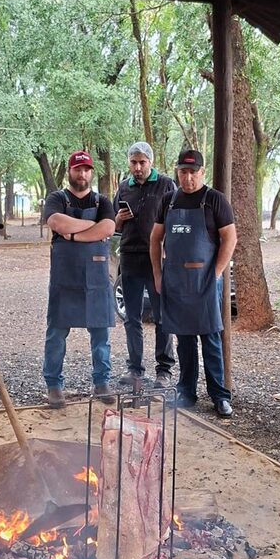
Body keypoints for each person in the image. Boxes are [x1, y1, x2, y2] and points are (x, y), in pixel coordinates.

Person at [150, 149, 236, 418]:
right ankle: (186, 391)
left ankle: (220, 396)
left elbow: (230, 239)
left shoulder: (215, 201)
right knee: (184, 341)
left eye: (193, 172)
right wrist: (157, 274)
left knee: (210, 338)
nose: (188, 178)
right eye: (183, 172)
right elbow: (155, 239)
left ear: (202, 172)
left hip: (205, 281)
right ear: (178, 172)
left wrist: (217, 273)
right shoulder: (169, 201)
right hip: (175, 281)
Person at [42, 150, 116, 408]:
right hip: (65, 278)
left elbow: (108, 228)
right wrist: (91, 228)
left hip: (96, 280)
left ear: (91, 172)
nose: (82, 174)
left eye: (86, 169)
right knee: (56, 333)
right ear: (70, 172)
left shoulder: (103, 201)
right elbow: (56, 222)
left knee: (100, 335)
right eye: (77, 169)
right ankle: (53, 384)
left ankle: (102, 381)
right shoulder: (56, 198)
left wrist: (73, 235)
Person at [113, 141, 176, 390]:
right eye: (133, 162)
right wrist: (118, 218)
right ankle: (135, 368)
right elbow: (112, 225)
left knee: (161, 315)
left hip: (157, 259)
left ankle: (164, 370)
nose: (138, 167)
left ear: (150, 162)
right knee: (132, 316)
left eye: (142, 162)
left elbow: (174, 219)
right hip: (130, 256)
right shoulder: (123, 188)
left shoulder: (165, 184)